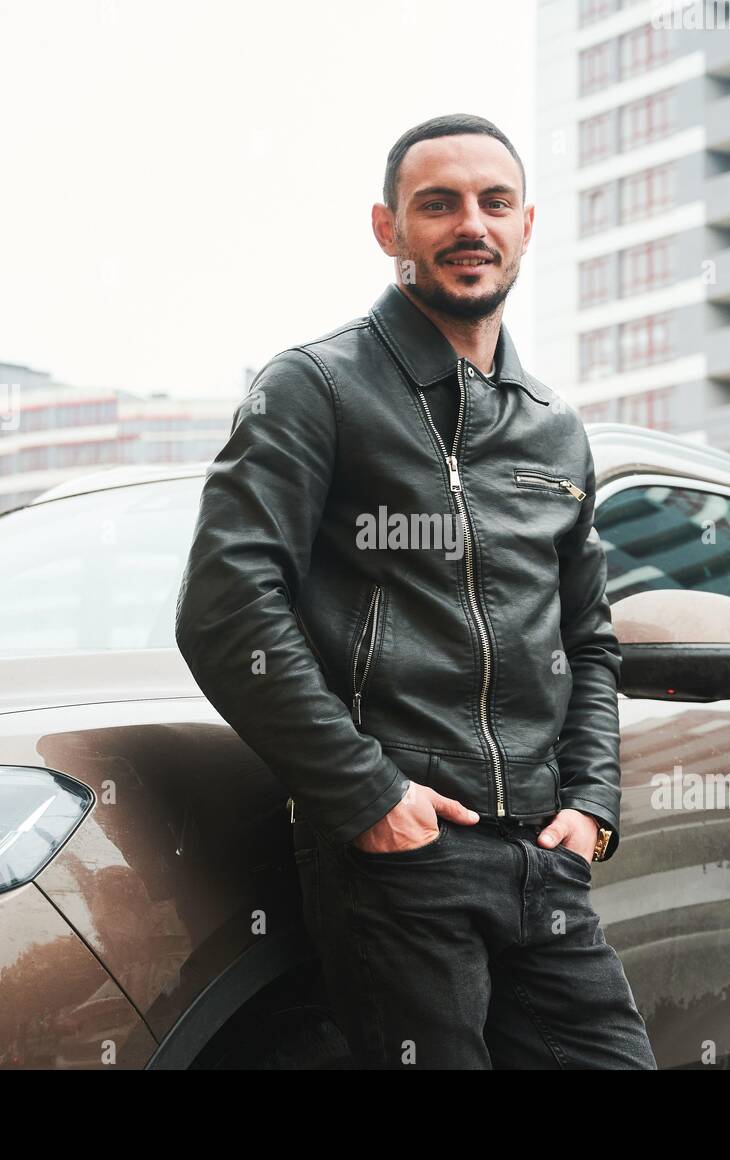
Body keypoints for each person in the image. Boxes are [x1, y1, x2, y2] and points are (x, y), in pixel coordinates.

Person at [175, 112, 657, 1069]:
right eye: (436, 204)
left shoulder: (556, 430)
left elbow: (589, 639)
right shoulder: (315, 386)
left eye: (494, 202)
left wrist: (593, 804)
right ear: (387, 228)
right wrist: (366, 795)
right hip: (404, 859)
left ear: (527, 227)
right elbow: (226, 606)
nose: (468, 224)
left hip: (547, 858)